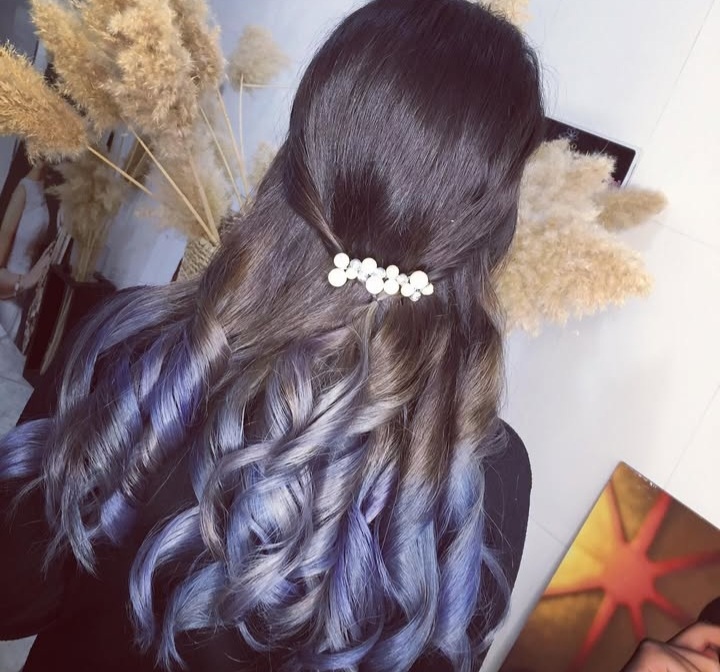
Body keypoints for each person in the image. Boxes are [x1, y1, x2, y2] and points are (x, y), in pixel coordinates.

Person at [0, 0, 544, 670]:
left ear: (302, 154)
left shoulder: (133, 349)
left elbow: (12, 599)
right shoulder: (488, 480)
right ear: (489, 229)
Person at [0, 161, 55, 342]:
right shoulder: (22, 190)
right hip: (7, 297)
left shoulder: (44, 188)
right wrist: (27, 279)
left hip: (26, 300)